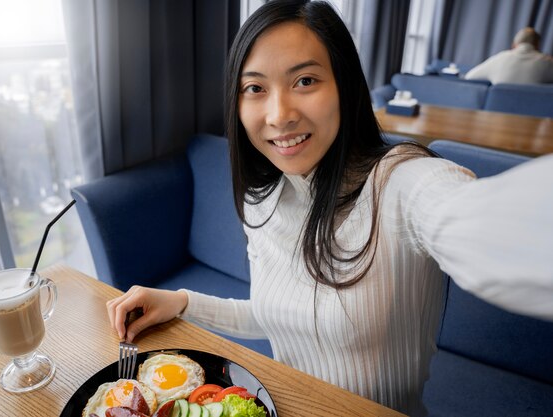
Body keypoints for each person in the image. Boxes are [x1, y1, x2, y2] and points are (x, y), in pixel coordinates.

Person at [107, 1, 553, 415]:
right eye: (255, 88)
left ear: (345, 86)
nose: (279, 114)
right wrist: (182, 302)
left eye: (305, 81)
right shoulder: (262, 197)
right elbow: (274, 315)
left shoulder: (401, 183)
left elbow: (474, 217)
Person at [464, 27, 553, 84]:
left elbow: (469, 76)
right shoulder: (547, 62)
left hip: (494, 111)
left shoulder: (499, 58)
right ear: (537, 46)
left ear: (514, 45)